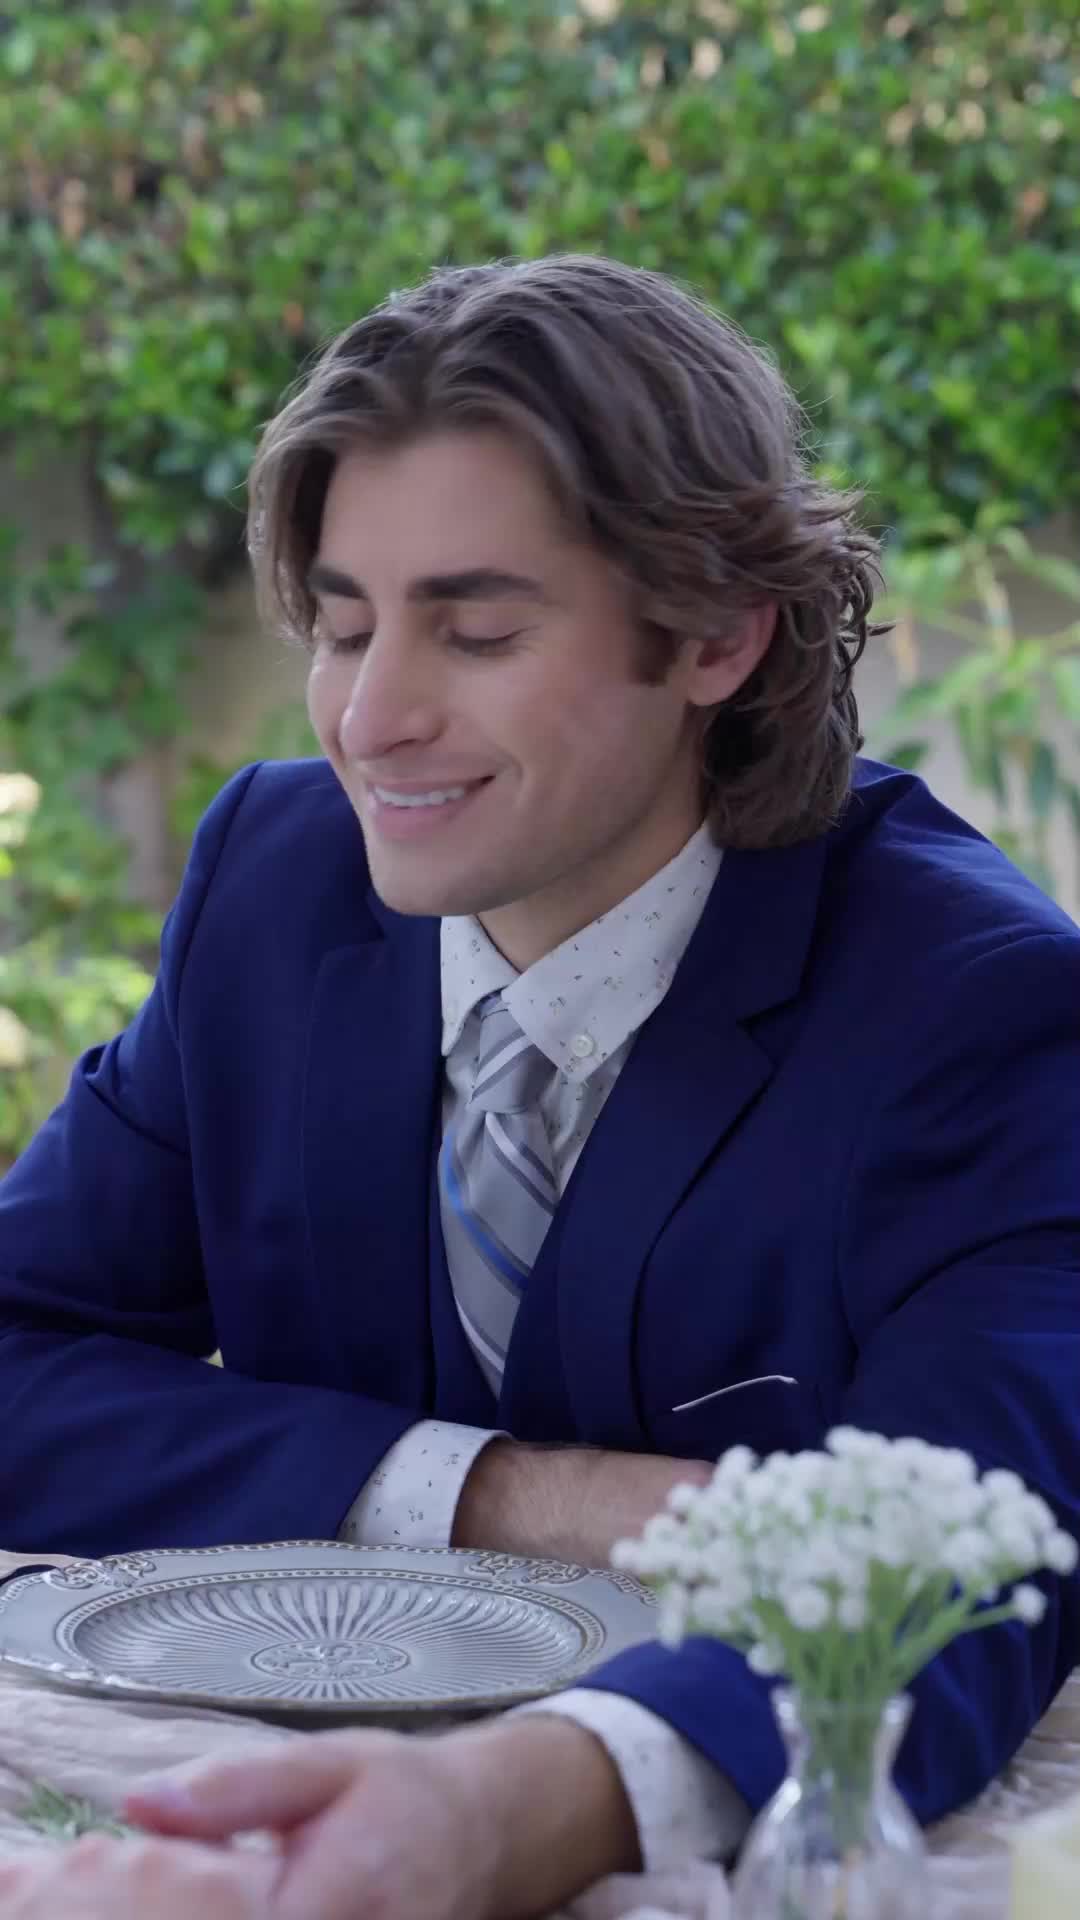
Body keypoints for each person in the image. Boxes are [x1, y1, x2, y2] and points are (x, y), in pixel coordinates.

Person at [0, 253, 1078, 1919]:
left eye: (478, 631)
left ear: (717, 634)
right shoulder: (271, 882)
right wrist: (504, 1495)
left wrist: (513, 1812)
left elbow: (964, 1564)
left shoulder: (974, 1003)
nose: (371, 718)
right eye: (341, 626)